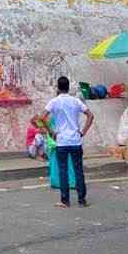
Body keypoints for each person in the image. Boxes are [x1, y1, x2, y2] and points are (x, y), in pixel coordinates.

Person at [45, 76, 94, 209]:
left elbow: (42, 117)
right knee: (78, 170)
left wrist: (51, 132)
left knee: (63, 171)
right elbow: (90, 115)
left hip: (61, 141)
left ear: (58, 87)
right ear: (68, 87)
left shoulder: (54, 102)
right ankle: (82, 200)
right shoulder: (76, 101)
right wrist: (83, 131)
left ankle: (65, 200)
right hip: (75, 140)